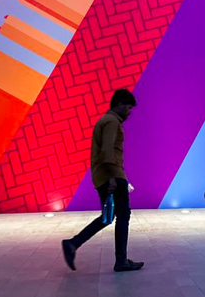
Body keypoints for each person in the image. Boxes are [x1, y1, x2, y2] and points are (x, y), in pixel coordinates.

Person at [61, 89, 144, 273]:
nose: (130, 112)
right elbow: (107, 151)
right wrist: (114, 178)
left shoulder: (106, 121)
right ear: (120, 104)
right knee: (123, 215)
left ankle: (73, 244)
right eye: (129, 108)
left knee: (108, 217)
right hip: (112, 176)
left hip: (103, 175)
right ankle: (121, 261)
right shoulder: (112, 122)